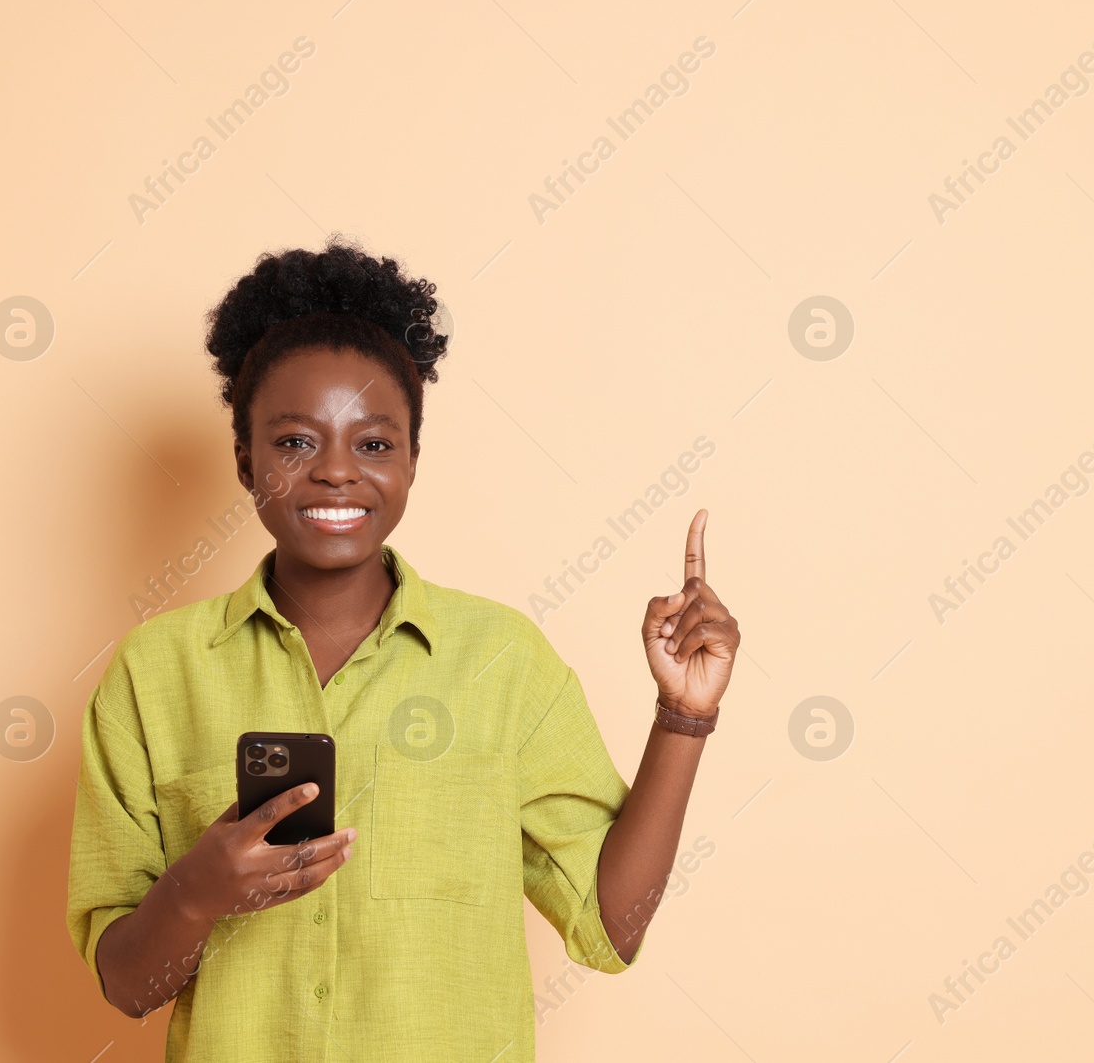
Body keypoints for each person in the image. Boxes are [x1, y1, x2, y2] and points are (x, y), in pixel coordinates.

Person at [65, 236, 741, 1062]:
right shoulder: (152, 674)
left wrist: (683, 715)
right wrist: (196, 893)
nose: (337, 473)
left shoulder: (504, 660)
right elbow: (130, 987)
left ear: (415, 460)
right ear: (244, 459)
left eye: (375, 443)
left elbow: (612, 929)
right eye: (294, 442)